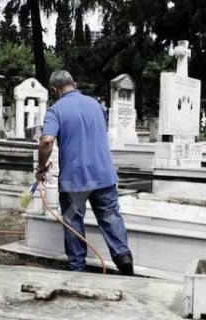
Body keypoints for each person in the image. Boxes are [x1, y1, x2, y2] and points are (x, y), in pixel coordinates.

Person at [36, 70, 133, 275]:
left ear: (55, 90)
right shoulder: (95, 104)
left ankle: (77, 269)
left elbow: (46, 141)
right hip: (104, 175)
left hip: (75, 181)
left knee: (72, 221)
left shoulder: (56, 110)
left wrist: (41, 167)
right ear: (75, 83)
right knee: (110, 217)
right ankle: (123, 257)